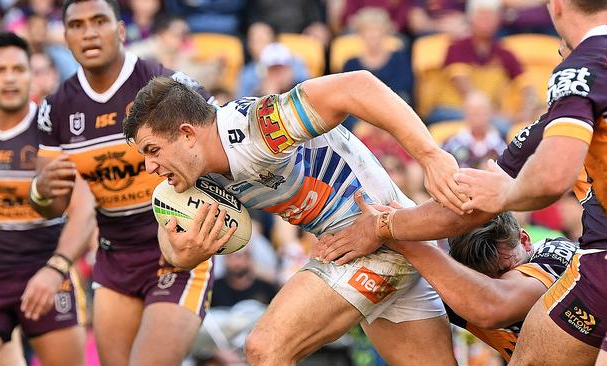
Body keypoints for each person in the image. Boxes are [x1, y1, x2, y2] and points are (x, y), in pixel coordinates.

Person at [317, 1, 607, 364]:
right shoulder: (453, 281)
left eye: (509, 270)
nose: (560, 56)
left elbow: (491, 302)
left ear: (556, 6)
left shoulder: (555, 256)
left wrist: (505, 195)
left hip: (603, 259)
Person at [123, 70, 466, 365]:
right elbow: (171, 247)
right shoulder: (193, 171)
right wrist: (184, 253)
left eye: (153, 151)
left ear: (186, 134)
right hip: (375, 246)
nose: (149, 167)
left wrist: (430, 155)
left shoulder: (256, 128)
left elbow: (356, 85)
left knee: (265, 347)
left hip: (384, 235)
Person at [30, 0, 214, 365]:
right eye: (77, 25)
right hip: (115, 258)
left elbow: (220, 147)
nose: (89, 32)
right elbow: (51, 205)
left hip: (177, 251)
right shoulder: (56, 109)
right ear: (65, 37)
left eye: (99, 21)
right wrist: (40, 190)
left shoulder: (165, 85)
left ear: (120, 29)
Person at [0, 32, 92, 366]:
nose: (9, 78)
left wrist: (55, 269)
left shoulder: (56, 131)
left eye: (18, 69)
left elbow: (83, 211)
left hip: (46, 273)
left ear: (31, 76)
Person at [378, 208, 578, 362]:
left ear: (524, 241)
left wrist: (409, 245)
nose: (494, 285)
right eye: (481, 279)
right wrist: (390, 227)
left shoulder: (561, 257)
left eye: (505, 271)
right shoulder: (461, 290)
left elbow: (494, 304)